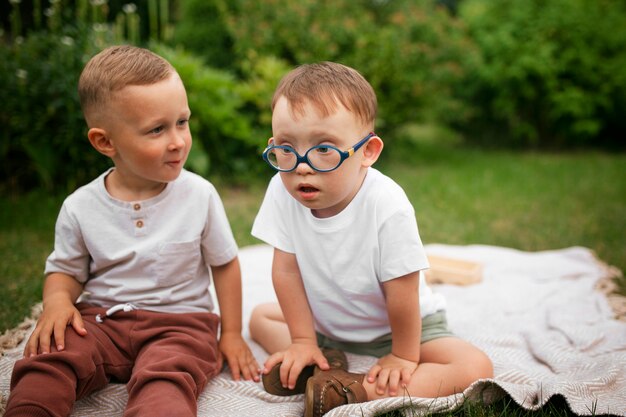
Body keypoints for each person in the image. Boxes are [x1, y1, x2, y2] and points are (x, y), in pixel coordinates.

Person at [4, 45, 259, 417]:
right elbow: (66, 270)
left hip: (181, 325)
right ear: (105, 142)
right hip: (102, 320)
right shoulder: (81, 206)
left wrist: (231, 334)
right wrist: (58, 302)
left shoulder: (198, 195)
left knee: (168, 376)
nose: (177, 141)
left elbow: (224, 263)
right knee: (52, 357)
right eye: (157, 129)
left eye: (182, 122)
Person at [248, 62, 493, 417]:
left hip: (400, 327)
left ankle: (354, 389)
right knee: (259, 317)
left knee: (474, 366)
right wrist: (302, 339)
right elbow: (285, 272)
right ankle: (319, 360)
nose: (302, 165)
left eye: (323, 149)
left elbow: (403, 288)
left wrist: (404, 355)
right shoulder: (282, 190)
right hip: (328, 322)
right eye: (286, 148)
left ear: (367, 152)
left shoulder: (386, 204)